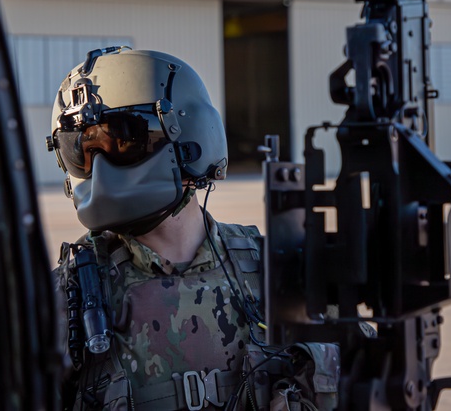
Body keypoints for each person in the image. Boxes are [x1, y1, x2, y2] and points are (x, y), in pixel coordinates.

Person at [48, 47, 339, 411]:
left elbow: (372, 378)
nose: (101, 168)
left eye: (123, 140)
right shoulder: (69, 301)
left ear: (189, 138)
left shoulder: (277, 268)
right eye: (84, 150)